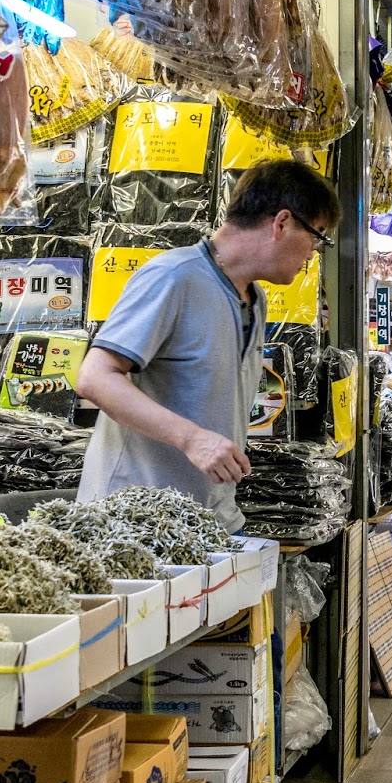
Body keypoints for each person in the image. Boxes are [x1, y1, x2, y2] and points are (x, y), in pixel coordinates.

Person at [77, 159, 341, 532]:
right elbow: (94, 377)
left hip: (208, 520)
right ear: (281, 223)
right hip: (132, 522)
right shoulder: (173, 277)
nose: (314, 252)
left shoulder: (255, 298)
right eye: (317, 236)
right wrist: (191, 439)